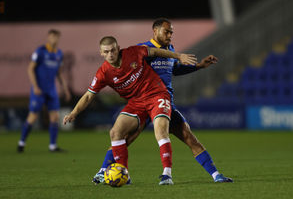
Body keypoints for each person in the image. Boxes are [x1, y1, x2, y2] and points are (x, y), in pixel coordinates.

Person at [93, 18, 233, 184]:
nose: (170, 35)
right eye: (166, 31)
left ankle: (216, 175)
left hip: (164, 101)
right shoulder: (143, 49)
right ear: (155, 31)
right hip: (145, 102)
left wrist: (199, 66)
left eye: (171, 32)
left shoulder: (170, 49)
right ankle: (103, 171)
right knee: (124, 139)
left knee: (188, 136)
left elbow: (175, 70)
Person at [63, 36, 197, 185]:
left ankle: (167, 175)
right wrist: (74, 112)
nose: (110, 54)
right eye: (106, 52)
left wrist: (179, 56)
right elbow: (88, 96)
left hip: (156, 94)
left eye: (113, 50)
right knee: (115, 132)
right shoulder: (103, 73)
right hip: (137, 102)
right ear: (101, 53)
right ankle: (123, 174)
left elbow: (156, 52)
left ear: (118, 48)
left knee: (160, 130)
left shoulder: (133, 52)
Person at [17, 29, 71, 153]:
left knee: (55, 117)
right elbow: (30, 69)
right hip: (39, 90)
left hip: (52, 90)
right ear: (48, 38)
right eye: (52, 37)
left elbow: (59, 73)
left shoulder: (59, 54)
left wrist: (65, 88)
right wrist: (35, 86)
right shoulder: (40, 51)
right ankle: (21, 143)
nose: (54, 39)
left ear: (58, 38)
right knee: (33, 116)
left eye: (56, 37)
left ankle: (53, 146)